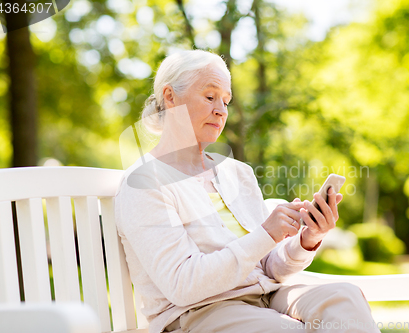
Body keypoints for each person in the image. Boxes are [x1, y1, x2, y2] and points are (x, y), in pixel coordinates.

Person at [115, 50, 380, 333]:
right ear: (170, 96)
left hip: (265, 296)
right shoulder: (144, 183)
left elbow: (268, 267)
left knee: (345, 298)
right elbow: (183, 285)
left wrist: (307, 238)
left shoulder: (236, 173)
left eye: (226, 101)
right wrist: (266, 234)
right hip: (201, 312)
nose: (221, 110)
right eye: (209, 96)